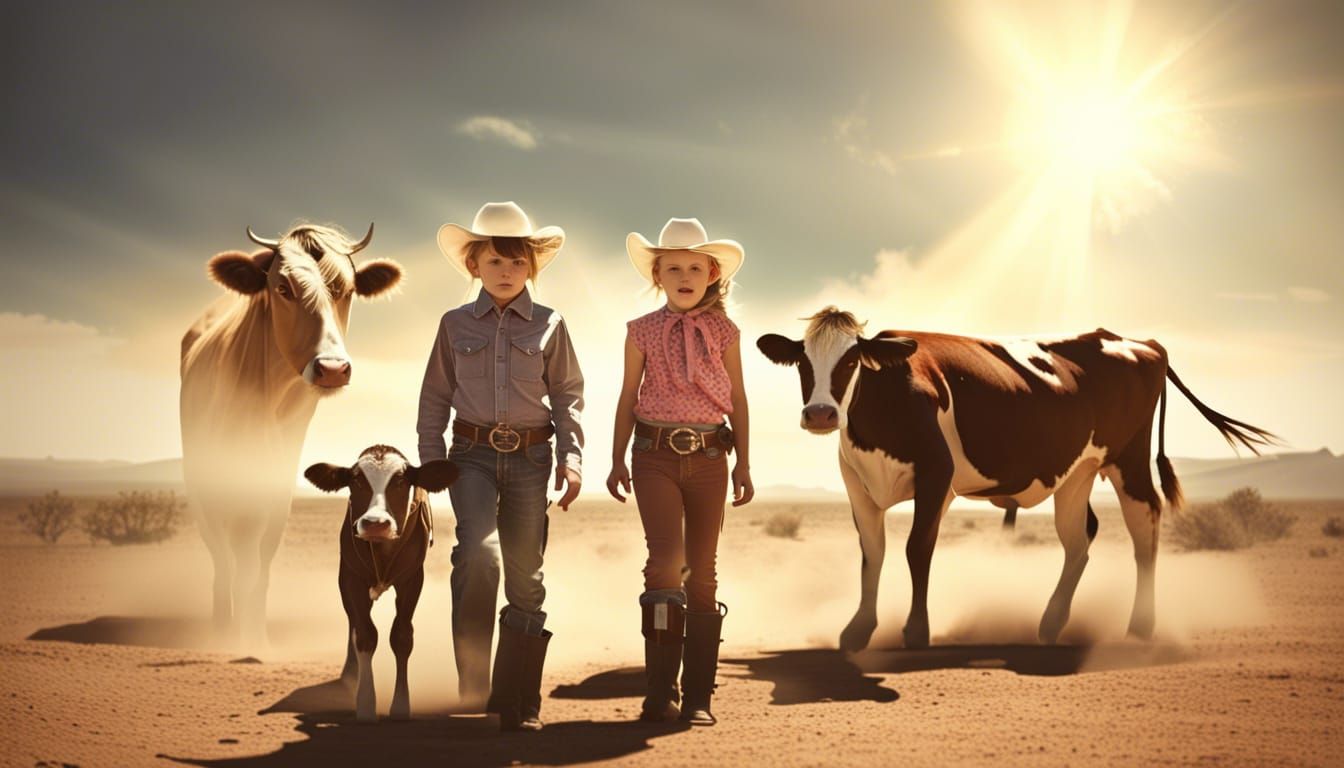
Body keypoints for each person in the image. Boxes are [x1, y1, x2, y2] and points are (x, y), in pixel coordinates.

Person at [418, 201, 584, 732]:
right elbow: (434, 397)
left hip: (535, 459)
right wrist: (431, 462)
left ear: (531, 266)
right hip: (470, 457)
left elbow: (568, 396)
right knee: (478, 553)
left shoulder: (551, 324)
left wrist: (572, 458)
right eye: (495, 262)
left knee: (526, 581)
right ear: (474, 267)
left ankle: (519, 703)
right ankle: (474, 685)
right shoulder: (453, 323)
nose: (506, 271)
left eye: (516, 261)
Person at [606, 217, 754, 726]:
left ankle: (698, 698)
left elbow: (737, 399)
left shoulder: (724, 329)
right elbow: (628, 395)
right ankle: (659, 692)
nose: (684, 275)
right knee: (665, 565)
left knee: (703, 574)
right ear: (658, 275)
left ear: (711, 274)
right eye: (674, 267)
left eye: (695, 267)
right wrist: (615, 457)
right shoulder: (640, 330)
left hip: (712, 458)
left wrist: (745, 465)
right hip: (654, 456)